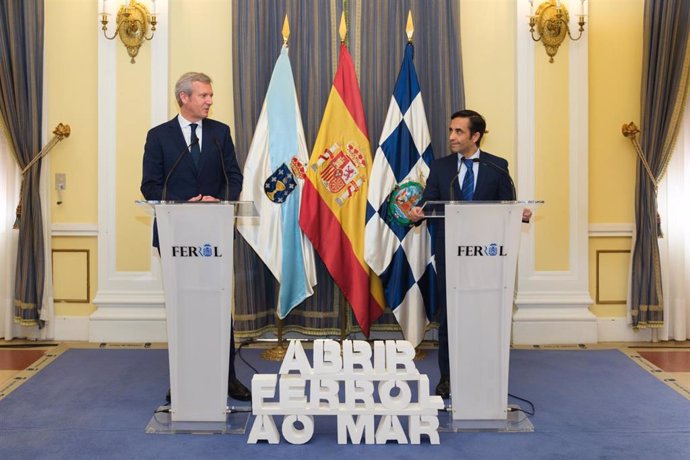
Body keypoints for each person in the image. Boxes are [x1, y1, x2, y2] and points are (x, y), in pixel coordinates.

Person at [140, 72, 250, 402]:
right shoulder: (159, 136)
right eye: (203, 95)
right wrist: (181, 204)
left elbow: (234, 177)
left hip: (213, 235)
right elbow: (149, 186)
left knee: (218, 306)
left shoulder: (220, 133)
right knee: (183, 306)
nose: (209, 101)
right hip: (177, 235)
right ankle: (184, 378)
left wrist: (219, 201)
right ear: (184, 97)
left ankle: (228, 377)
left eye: (210, 95)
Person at [409, 109, 531, 399]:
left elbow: (506, 206)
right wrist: (417, 213)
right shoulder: (440, 168)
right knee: (450, 319)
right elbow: (428, 205)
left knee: (485, 318)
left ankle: (485, 376)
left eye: (459, 131)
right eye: (451, 130)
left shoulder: (498, 167)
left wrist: (519, 214)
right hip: (451, 257)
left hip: (487, 257)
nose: (452, 136)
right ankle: (448, 379)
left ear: (475, 136)